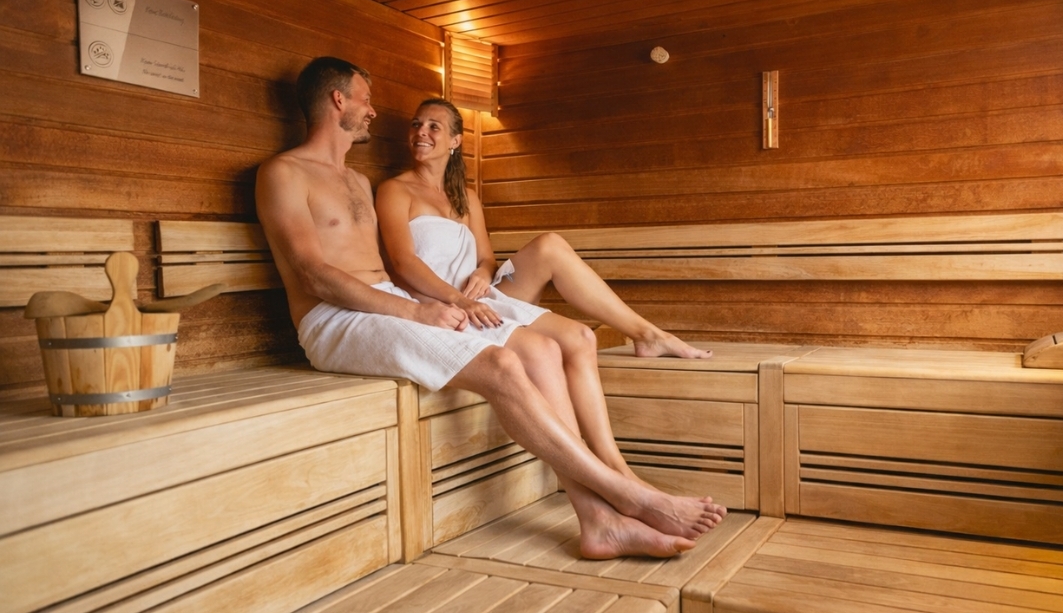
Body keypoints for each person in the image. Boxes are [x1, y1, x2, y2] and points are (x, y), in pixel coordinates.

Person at [255, 57, 725, 560]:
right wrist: (418, 311)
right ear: (338, 100)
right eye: (365, 99)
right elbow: (312, 274)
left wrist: (425, 304)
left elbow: (390, 266)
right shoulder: (284, 173)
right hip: (334, 321)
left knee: (540, 351)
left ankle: (598, 521)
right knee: (501, 364)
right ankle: (628, 496)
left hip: (388, 306)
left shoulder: (356, 181)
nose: (372, 111)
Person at [375, 100, 711, 361]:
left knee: (550, 245)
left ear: (455, 141)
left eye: (434, 126)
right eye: (416, 124)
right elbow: (403, 262)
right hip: (442, 304)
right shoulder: (395, 190)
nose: (421, 132)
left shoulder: (466, 197)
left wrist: (483, 272)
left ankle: (647, 334)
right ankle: (650, 336)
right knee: (568, 333)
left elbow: (487, 258)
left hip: (481, 296)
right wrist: (460, 299)